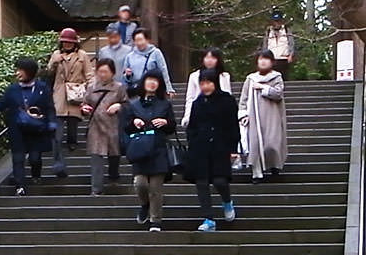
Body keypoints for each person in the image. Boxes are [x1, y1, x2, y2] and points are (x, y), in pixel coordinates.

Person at [0, 56, 56, 194]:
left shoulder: (42, 88)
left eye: (21, 70)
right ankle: (20, 186)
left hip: (36, 129)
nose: (17, 73)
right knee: (18, 158)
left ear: (30, 72)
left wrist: (51, 122)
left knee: (35, 157)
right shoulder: (13, 89)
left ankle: (36, 175)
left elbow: (49, 107)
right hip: (17, 129)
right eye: (17, 70)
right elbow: (2, 103)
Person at [119, 70, 177, 230]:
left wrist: (165, 122)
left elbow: (172, 127)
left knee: (156, 188)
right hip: (140, 149)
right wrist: (134, 122)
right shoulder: (133, 104)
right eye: (149, 80)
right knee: (140, 183)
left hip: (158, 148)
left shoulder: (165, 104)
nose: (152, 83)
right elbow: (126, 127)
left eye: (155, 81)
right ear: (143, 82)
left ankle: (155, 220)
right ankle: (145, 204)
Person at [183, 68, 239, 231]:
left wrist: (233, 148)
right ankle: (208, 218)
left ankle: (227, 201)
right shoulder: (197, 103)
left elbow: (232, 126)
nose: (205, 86)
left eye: (208, 83)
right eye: (202, 83)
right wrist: (192, 142)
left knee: (220, 180)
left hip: (220, 147)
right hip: (200, 149)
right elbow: (192, 126)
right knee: (201, 183)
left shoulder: (227, 100)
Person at [44, 28, 93, 179]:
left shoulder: (82, 55)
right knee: (57, 133)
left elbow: (89, 74)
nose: (67, 45)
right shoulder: (56, 54)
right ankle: (58, 163)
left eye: (69, 42)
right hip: (59, 94)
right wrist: (54, 63)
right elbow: (48, 74)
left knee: (73, 126)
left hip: (75, 93)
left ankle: (72, 141)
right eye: (64, 42)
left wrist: (90, 91)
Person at [80, 58, 129, 194]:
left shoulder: (119, 87)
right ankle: (96, 189)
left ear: (112, 73)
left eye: (105, 72)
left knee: (114, 155)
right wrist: (84, 109)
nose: (102, 74)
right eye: (100, 71)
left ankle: (114, 176)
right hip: (95, 126)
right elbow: (84, 103)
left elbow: (128, 105)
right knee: (96, 157)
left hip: (113, 126)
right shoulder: (91, 88)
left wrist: (119, 106)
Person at [239, 50, 288, 180]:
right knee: (255, 144)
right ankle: (257, 173)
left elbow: (278, 94)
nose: (263, 61)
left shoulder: (276, 77)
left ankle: (274, 165)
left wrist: (262, 88)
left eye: (266, 59)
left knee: (271, 144)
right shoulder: (250, 79)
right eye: (261, 59)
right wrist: (243, 115)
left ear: (272, 62)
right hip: (254, 116)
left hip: (272, 116)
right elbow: (243, 99)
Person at [181, 47, 234, 126]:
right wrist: (188, 115)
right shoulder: (194, 76)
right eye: (207, 57)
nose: (209, 60)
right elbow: (190, 98)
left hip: (220, 112)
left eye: (213, 58)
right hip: (200, 110)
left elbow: (228, 95)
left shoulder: (224, 76)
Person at [119, 26, 170, 98]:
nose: (139, 43)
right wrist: (128, 75)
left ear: (147, 40)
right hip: (136, 91)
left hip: (153, 90)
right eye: (136, 40)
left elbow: (163, 70)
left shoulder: (155, 52)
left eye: (140, 40)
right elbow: (125, 77)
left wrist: (168, 88)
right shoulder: (129, 56)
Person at [262, 10, 296, 76]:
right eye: (275, 21)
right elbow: (265, 45)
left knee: (283, 79)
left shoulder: (286, 30)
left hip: (283, 59)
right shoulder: (268, 31)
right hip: (271, 59)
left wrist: (291, 55)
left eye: (278, 21)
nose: (276, 23)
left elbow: (291, 43)